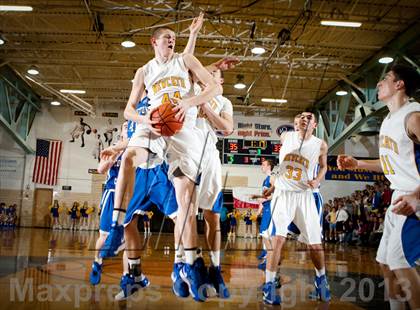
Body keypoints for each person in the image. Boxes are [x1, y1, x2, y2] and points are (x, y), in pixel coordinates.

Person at [337, 64, 420, 310]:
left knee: (400, 261)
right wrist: (357, 163)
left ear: (399, 84)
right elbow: (389, 164)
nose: (379, 83)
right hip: (399, 195)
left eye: (385, 78)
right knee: (384, 261)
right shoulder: (388, 119)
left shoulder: (413, 116)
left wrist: (417, 196)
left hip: (414, 197)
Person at [261, 112, 330, 305]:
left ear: (315, 124)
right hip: (283, 195)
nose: (304, 119)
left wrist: (317, 180)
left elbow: (324, 167)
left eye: (309, 117)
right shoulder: (286, 137)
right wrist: (273, 188)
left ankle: (321, 280)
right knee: (277, 240)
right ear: (295, 123)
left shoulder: (320, 144)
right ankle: (269, 286)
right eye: (301, 117)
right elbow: (283, 167)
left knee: (315, 245)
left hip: (305, 196)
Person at [89, 122, 129, 286]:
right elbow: (100, 169)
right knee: (104, 235)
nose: (128, 127)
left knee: (129, 239)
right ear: (121, 130)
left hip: (129, 197)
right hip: (112, 193)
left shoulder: (139, 148)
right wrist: (113, 157)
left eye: (130, 125)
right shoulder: (113, 147)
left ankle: (127, 275)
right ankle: (97, 262)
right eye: (126, 125)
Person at [252, 159, 274, 266]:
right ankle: (267, 256)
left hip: (271, 208)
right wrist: (257, 212)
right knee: (265, 234)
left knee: (266, 234)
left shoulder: (272, 178)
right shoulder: (265, 180)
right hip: (266, 208)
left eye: (264, 164)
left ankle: (269, 259)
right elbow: (263, 198)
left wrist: (264, 199)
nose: (262, 166)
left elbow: (275, 195)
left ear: (269, 166)